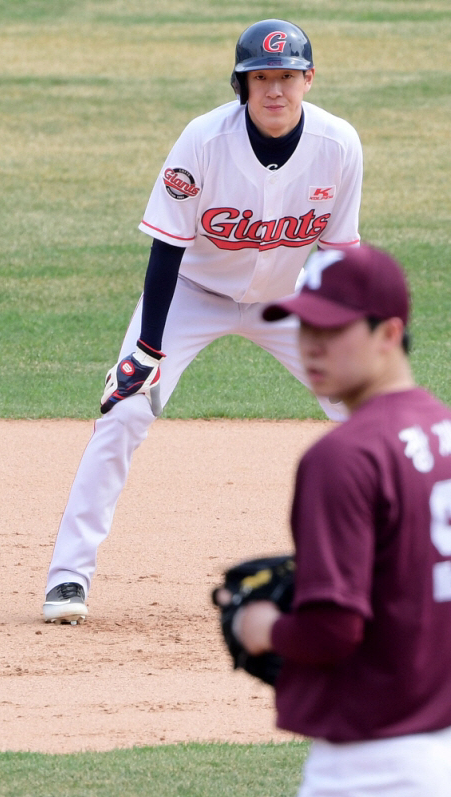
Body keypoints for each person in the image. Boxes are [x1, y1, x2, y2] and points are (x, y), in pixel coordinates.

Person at [43, 19, 363, 624]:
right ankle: (67, 577)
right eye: (260, 78)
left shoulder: (340, 145)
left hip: (283, 300)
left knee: (369, 408)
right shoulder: (202, 140)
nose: (275, 90)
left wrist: (349, 338)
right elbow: (165, 249)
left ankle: (415, 567)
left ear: (309, 79)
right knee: (125, 410)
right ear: (240, 84)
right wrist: (146, 348)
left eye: (287, 77)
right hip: (190, 293)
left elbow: (339, 255)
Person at [235, 243, 451, 797]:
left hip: (373, 774)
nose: (311, 345)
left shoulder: (343, 457)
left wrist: (262, 627)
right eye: (303, 325)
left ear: (389, 333)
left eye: (331, 328)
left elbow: (332, 631)